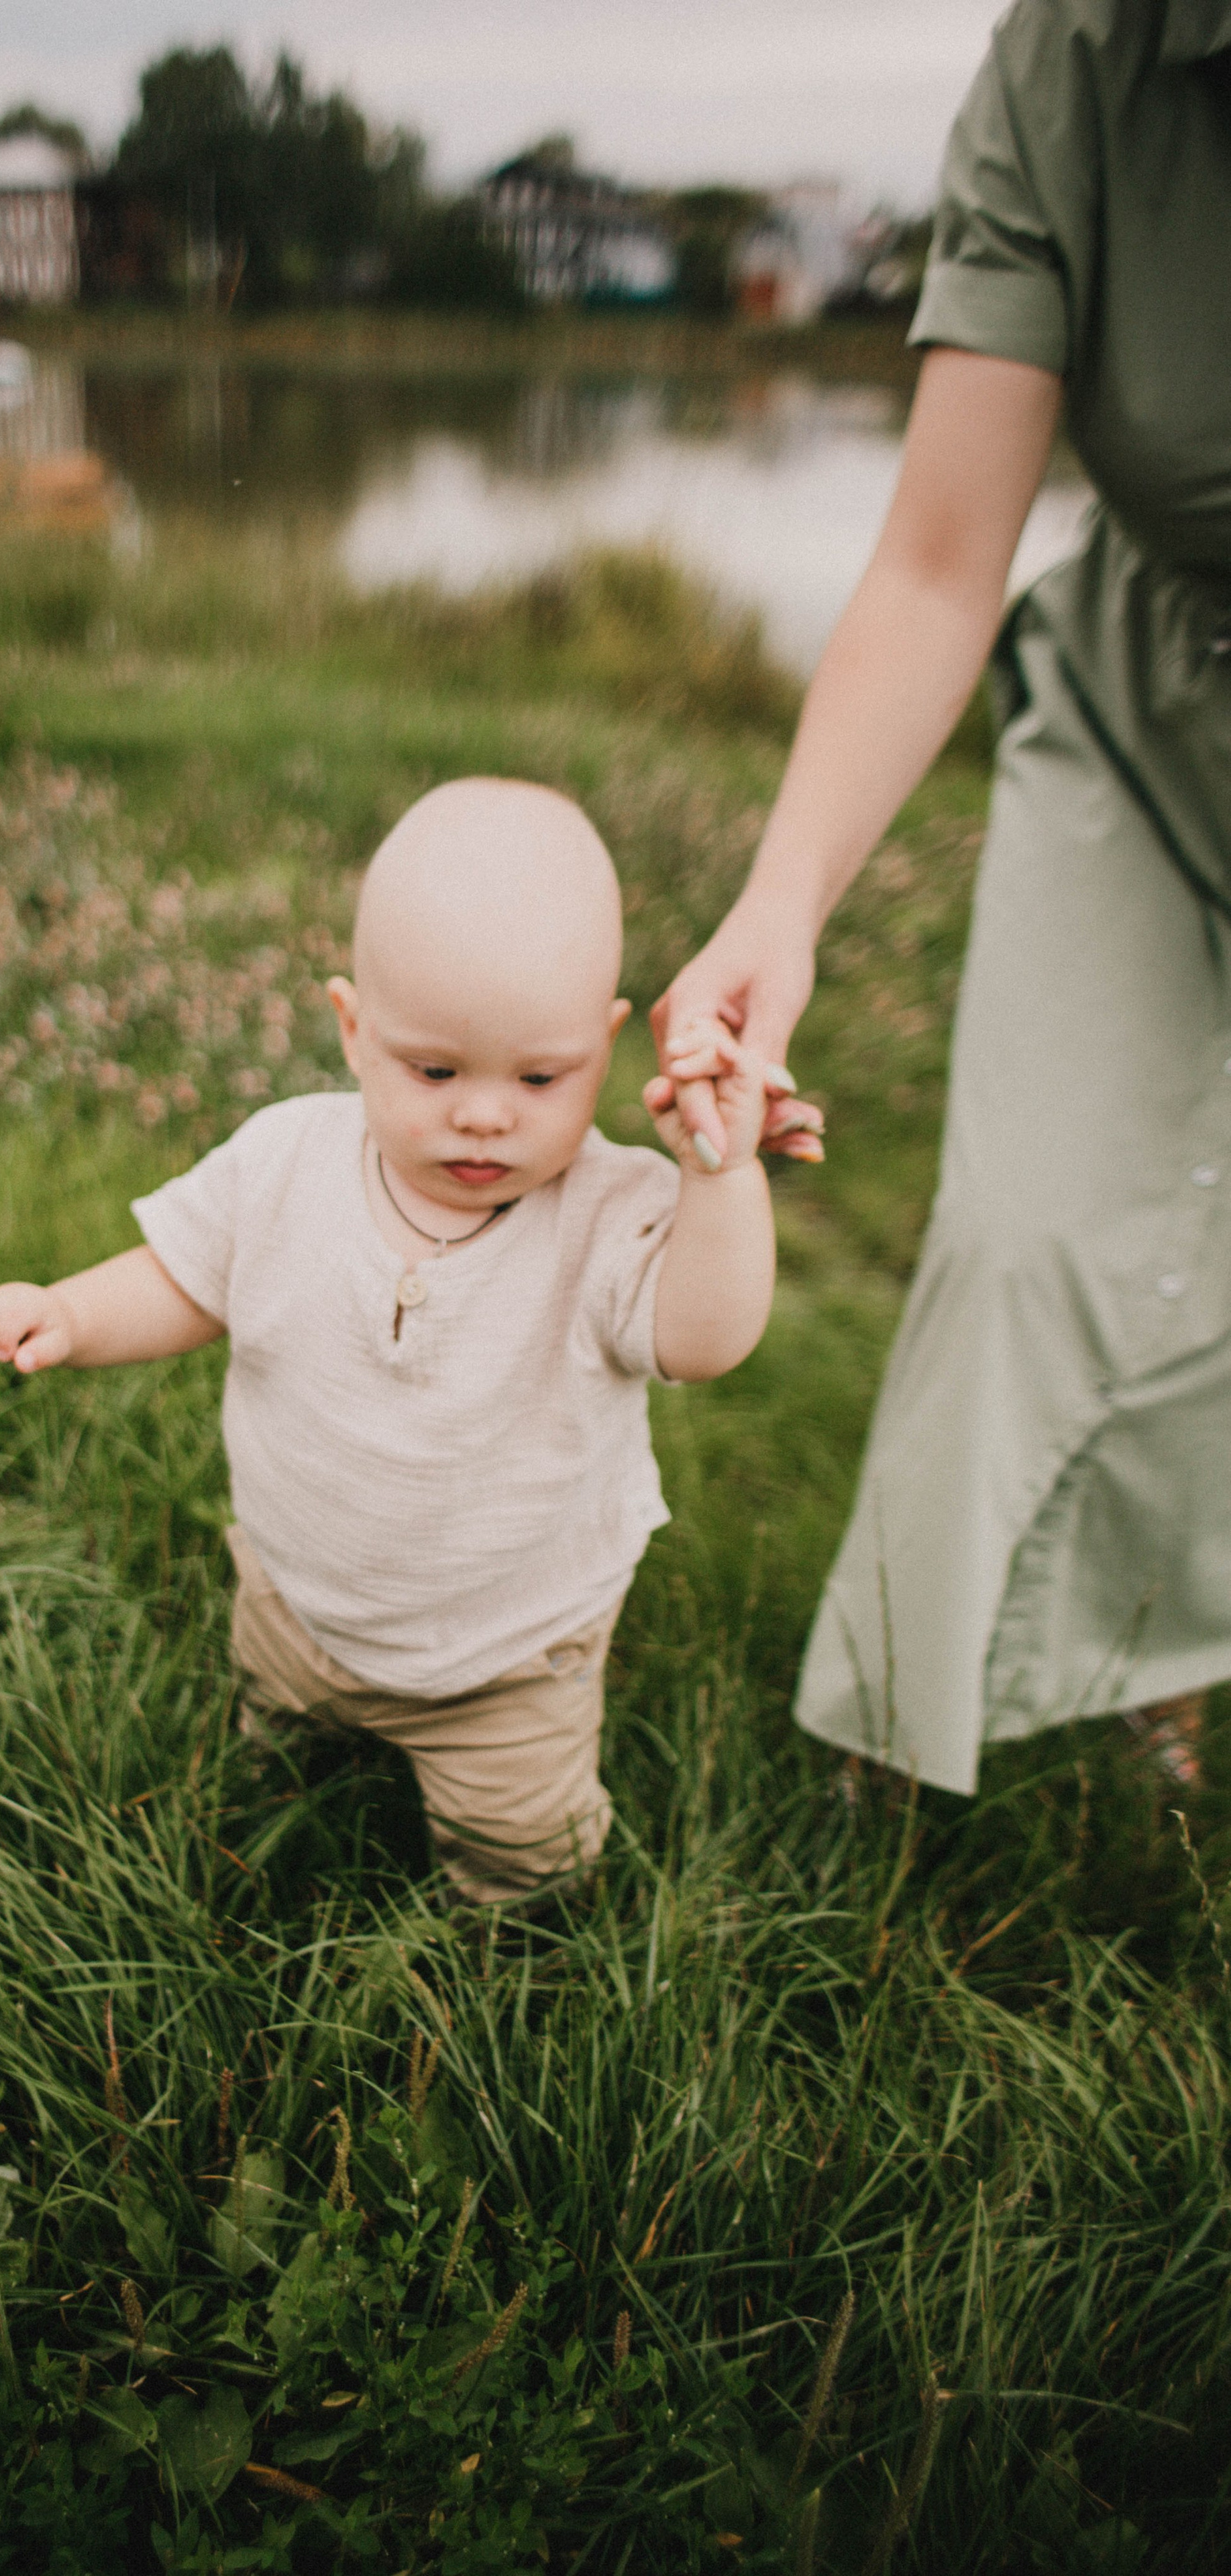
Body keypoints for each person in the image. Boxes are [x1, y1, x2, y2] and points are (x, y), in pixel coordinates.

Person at [649, 0, 1231, 1795]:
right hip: (1158, 702)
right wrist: (784, 904)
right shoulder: (1088, 47)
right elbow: (933, 558)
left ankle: (1166, 1669)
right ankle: (898, 1752)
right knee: (1026, 1229)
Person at [0, 778, 814, 1903]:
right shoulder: (285, 1163)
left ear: (605, 1047)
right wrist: (70, 1312)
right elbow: (185, 1273)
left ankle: (509, 1934)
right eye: (436, 1071)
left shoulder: (612, 1213)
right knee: (279, 1738)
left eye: (541, 1077)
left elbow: (704, 1339)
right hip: (296, 1602)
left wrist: (720, 1169)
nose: (485, 1114)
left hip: (511, 1660)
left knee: (526, 1859)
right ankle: (296, 1750)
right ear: (356, 1032)